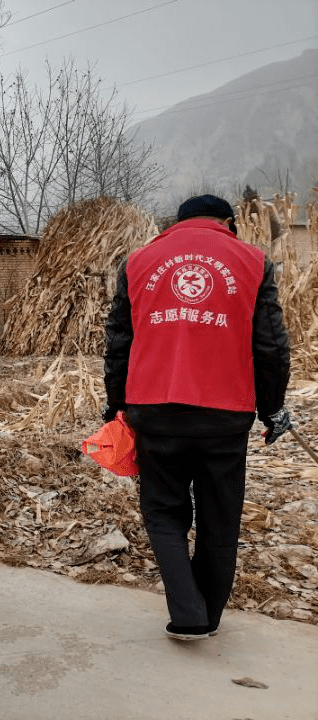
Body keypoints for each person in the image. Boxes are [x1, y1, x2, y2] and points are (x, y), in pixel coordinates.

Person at [103, 194, 292, 641]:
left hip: (154, 411)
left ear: (178, 222)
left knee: (164, 513)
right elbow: (271, 345)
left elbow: (118, 345)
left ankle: (187, 612)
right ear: (227, 221)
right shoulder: (252, 261)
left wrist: (116, 404)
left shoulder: (138, 262)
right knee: (220, 517)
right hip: (225, 416)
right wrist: (273, 407)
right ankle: (207, 617)